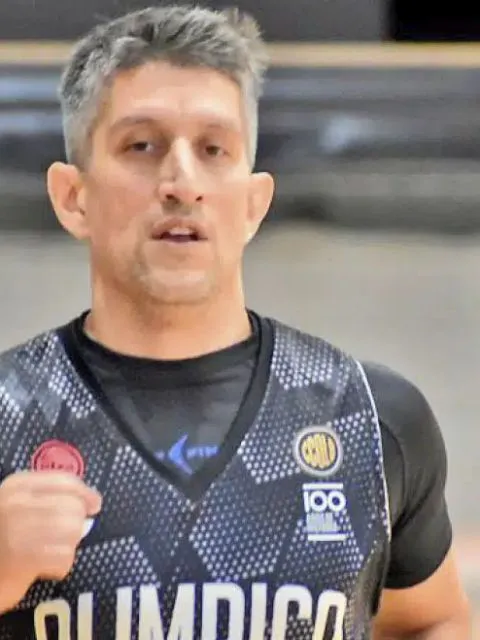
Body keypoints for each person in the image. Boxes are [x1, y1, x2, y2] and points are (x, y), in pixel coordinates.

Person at [0, 5, 471, 639]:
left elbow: (432, 621)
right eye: (142, 146)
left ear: (253, 204)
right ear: (72, 197)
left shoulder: (370, 417)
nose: (181, 181)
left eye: (213, 149)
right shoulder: (8, 413)